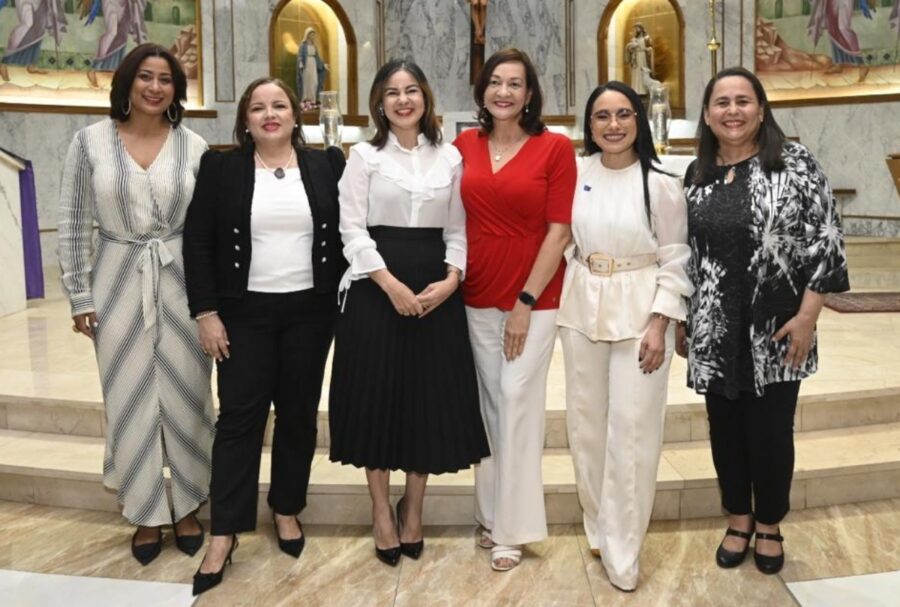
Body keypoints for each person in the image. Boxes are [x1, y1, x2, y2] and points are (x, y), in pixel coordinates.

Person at [678, 66, 849, 575]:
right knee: (723, 429)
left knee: (771, 431)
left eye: (743, 101)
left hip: (776, 328)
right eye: (721, 103)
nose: (732, 111)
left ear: (761, 109)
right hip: (714, 327)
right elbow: (687, 253)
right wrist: (687, 318)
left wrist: (807, 318)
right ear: (707, 116)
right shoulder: (697, 176)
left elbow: (828, 240)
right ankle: (738, 518)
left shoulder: (793, 163)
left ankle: (770, 523)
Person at [183, 77, 346, 594]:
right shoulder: (221, 167)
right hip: (242, 313)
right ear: (246, 119)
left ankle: (287, 508)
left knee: (297, 415)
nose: (269, 114)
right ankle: (225, 531)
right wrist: (206, 312)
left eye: (279, 105)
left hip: (310, 312)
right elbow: (199, 243)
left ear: (297, 115)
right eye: (259, 107)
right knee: (239, 419)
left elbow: (348, 235)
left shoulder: (327, 165)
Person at [328, 59, 489, 567]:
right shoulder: (362, 156)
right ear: (379, 102)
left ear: (426, 98)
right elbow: (351, 229)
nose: (403, 100)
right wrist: (390, 284)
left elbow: (458, 230)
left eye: (412, 90)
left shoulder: (450, 157)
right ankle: (380, 509)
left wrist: (451, 280)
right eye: (393, 92)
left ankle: (413, 507)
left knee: (424, 399)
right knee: (376, 397)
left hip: (435, 289)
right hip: (375, 286)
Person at [58, 43, 213, 566]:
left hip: (183, 281)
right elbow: (75, 219)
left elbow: (208, 228)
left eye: (165, 79)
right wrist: (79, 293)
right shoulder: (90, 143)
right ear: (125, 83)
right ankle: (146, 511)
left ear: (176, 89)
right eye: (144, 77)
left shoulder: (193, 145)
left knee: (188, 394)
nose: (154, 87)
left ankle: (188, 504)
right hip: (117, 278)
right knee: (128, 396)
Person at [556, 81, 692, 592]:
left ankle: (624, 547)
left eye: (622, 114)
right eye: (601, 117)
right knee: (586, 426)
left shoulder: (661, 181)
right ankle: (599, 525)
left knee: (632, 432)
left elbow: (676, 257)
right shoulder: (576, 173)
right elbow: (559, 237)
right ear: (588, 126)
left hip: (641, 313)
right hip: (582, 306)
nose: (612, 125)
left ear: (638, 120)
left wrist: (662, 321)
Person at [453, 48, 576, 572]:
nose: (504, 92)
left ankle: (513, 528)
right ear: (482, 90)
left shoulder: (554, 148)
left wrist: (525, 301)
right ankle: (489, 512)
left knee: (517, 403)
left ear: (530, 94)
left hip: (536, 296)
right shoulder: (463, 145)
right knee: (490, 407)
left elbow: (560, 231)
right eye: (496, 82)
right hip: (476, 292)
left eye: (516, 84)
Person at [296, 27, 327, 105]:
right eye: (311, 34)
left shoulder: (314, 46)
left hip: (313, 64)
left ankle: (313, 99)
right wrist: (300, 62)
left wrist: (323, 65)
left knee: (314, 81)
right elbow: (300, 55)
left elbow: (317, 57)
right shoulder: (303, 45)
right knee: (306, 81)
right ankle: (305, 98)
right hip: (306, 65)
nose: (313, 36)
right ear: (307, 35)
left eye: (314, 34)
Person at [625, 23, 653, 95]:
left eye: (638, 28)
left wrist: (648, 49)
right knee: (635, 72)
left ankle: (643, 90)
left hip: (643, 56)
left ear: (641, 29)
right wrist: (631, 48)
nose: (636, 30)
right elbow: (629, 49)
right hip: (636, 57)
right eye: (635, 28)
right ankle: (635, 89)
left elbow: (650, 47)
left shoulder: (646, 38)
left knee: (642, 72)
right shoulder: (634, 39)